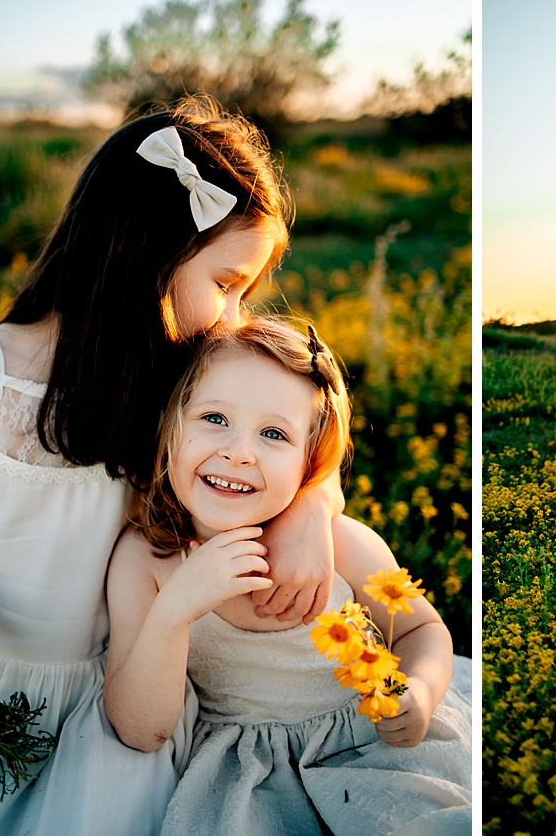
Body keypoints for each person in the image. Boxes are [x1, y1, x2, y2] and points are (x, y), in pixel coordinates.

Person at [0, 97, 342, 834]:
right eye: (225, 283)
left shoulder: (188, 377)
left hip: (133, 686)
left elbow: (298, 435)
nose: (233, 317)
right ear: (143, 249)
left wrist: (314, 506)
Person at [104, 317, 473, 836]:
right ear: (171, 423)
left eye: (274, 433)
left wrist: (419, 691)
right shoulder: (148, 562)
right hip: (251, 775)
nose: (239, 452)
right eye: (214, 417)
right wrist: (173, 612)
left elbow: (421, 629)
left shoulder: (340, 543)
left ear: (310, 460)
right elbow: (141, 730)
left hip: (373, 746)